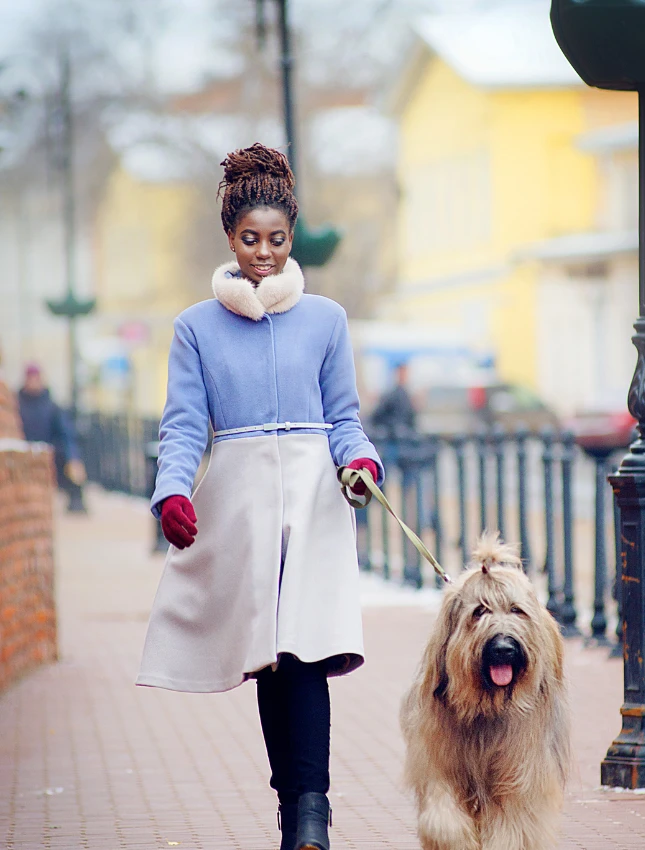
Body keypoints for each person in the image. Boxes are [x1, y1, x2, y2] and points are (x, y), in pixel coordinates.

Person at [137, 143, 383, 850]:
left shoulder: (327, 319)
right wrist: (172, 492)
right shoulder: (195, 327)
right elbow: (184, 425)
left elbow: (344, 418)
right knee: (270, 661)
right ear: (229, 237)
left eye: (276, 239)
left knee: (302, 654)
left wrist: (360, 460)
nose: (264, 254)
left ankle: (310, 815)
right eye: (250, 239)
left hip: (314, 506)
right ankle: (294, 811)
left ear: (292, 235)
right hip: (240, 512)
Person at [17, 362, 87, 513]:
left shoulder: (51, 406)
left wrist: (73, 458)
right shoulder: (17, 405)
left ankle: (75, 502)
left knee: (69, 463)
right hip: (22, 457)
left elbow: (65, 433)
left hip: (47, 457)